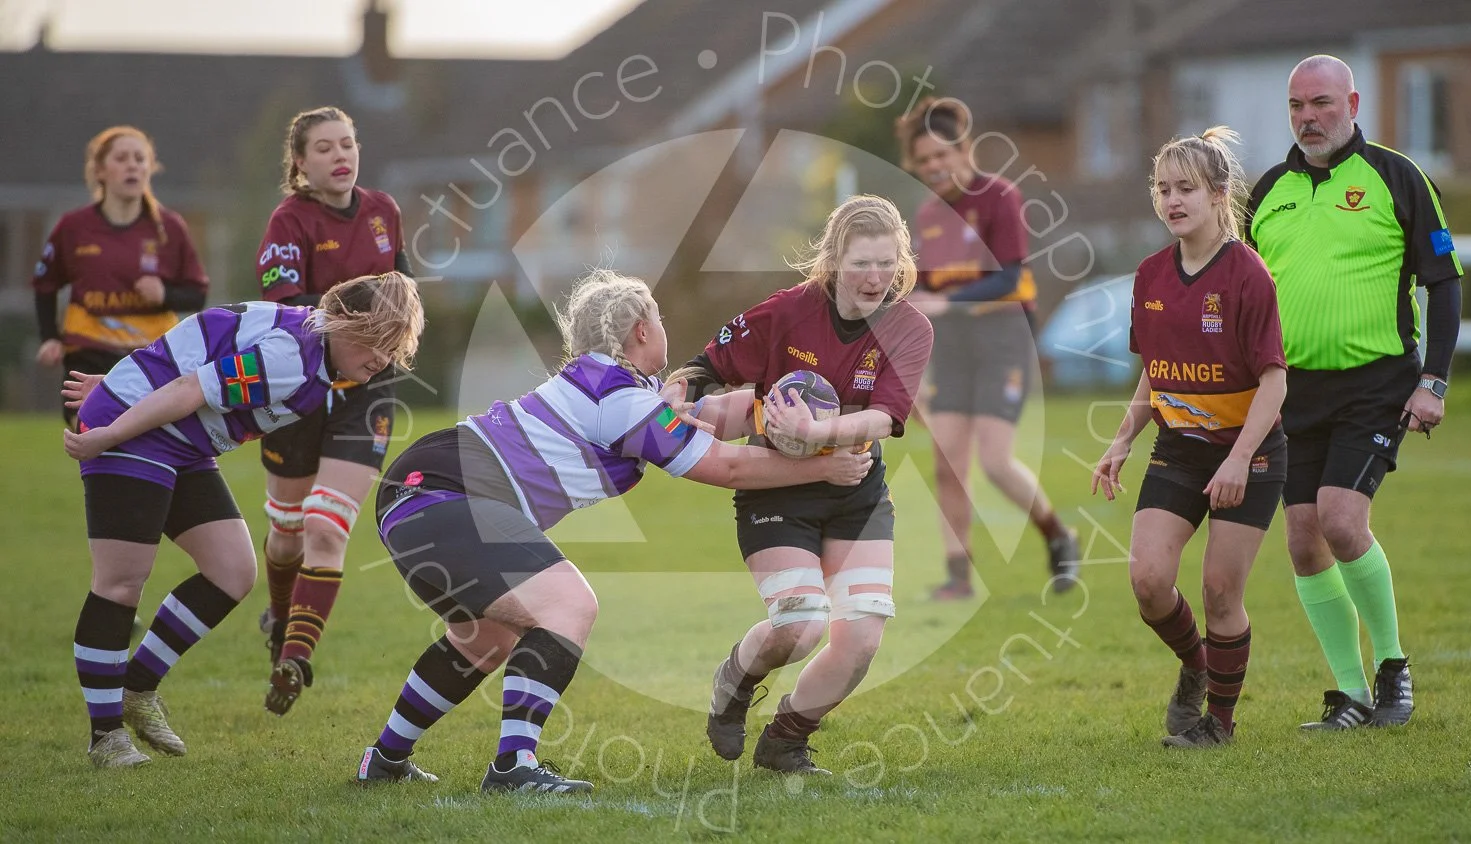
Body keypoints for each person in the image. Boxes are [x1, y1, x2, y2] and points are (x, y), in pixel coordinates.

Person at [352, 269, 873, 793]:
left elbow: (713, 414)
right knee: (568, 605)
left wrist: (790, 411)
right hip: (441, 493)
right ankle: (513, 767)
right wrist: (823, 467)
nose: (665, 327)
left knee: (488, 636)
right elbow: (728, 467)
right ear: (642, 330)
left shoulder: (618, 388)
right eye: (659, 318)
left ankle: (386, 758)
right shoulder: (619, 399)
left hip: (423, 494)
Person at [63, 272, 424, 768]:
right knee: (121, 582)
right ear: (343, 320)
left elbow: (198, 349)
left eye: (393, 347)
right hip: (136, 432)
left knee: (232, 571)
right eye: (376, 340)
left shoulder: (313, 347)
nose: (382, 358)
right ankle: (105, 736)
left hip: (176, 438)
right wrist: (110, 428)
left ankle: (136, 687)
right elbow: (190, 387)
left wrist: (127, 378)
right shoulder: (291, 359)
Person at [668, 195, 934, 775]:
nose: (875, 277)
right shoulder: (788, 311)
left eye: (887, 262)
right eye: (861, 263)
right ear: (834, 259)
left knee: (860, 641)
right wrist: (677, 393)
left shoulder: (909, 328)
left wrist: (818, 432)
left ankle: (786, 739)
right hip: (777, 493)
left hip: (856, 492)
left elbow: (883, 418)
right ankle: (737, 679)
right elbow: (706, 366)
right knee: (800, 624)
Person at [1246, 55, 1462, 729]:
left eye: (1321, 103)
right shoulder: (1268, 191)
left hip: (1376, 384)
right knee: (1303, 540)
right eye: (1296, 105)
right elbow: (1243, 295)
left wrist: (1434, 381)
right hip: (1290, 393)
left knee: (1341, 521)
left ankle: (1393, 669)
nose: (1307, 117)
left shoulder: (1397, 177)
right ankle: (1350, 694)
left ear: (1353, 103)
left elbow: (1444, 281)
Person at [1092, 128, 1287, 748]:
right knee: (1149, 583)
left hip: (1249, 453)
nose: (1172, 200)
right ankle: (1198, 666)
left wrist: (1239, 458)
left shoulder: (1248, 274)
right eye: (1163, 189)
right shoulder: (1150, 274)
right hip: (1178, 447)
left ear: (1219, 194)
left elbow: (1275, 380)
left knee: (1220, 592)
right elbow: (1155, 371)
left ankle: (1218, 726)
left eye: (1186, 189)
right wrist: (1123, 439)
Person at [254, 106, 416, 716]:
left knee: (326, 527)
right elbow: (286, 304)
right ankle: (280, 620)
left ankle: (295, 657)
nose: (340, 155)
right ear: (300, 162)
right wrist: (362, 318)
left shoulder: (383, 211)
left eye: (346, 143)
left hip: (367, 389)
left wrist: (397, 326)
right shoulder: (289, 220)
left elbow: (402, 288)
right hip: (298, 386)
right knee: (288, 531)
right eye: (323, 148)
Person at [894, 97, 1079, 600]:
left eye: (941, 155)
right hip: (953, 348)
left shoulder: (1000, 197)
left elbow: (1010, 278)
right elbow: (923, 292)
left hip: (1003, 338)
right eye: (924, 160)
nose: (934, 167)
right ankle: (958, 577)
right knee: (947, 462)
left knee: (995, 461)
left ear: (964, 151)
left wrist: (947, 302)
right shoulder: (927, 215)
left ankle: (1057, 535)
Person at [33, 126, 208, 431]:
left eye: (140, 159)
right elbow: (45, 284)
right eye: (122, 158)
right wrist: (49, 336)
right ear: (100, 171)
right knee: (90, 431)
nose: (132, 166)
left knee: (149, 440)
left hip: (152, 355)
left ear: (150, 169)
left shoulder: (169, 228)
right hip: (89, 352)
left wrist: (165, 295)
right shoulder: (74, 227)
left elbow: (197, 294)